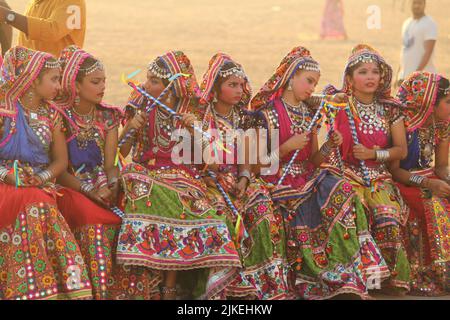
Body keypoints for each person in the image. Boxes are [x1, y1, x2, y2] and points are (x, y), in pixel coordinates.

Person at [250, 46, 389, 300]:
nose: (313, 88)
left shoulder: (309, 114)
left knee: (343, 190)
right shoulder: (267, 115)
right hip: (277, 182)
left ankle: (346, 275)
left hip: (307, 178)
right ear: (291, 78)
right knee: (309, 205)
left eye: (315, 83)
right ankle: (315, 278)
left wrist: (328, 145)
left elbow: (314, 161)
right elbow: (258, 165)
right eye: (309, 81)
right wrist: (285, 148)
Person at [116, 51, 242, 300]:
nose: (146, 84)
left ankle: (171, 284)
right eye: (148, 78)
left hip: (184, 176)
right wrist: (130, 128)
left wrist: (195, 130)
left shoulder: (193, 111)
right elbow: (121, 152)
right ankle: (154, 281)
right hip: (147, 172)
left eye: (154, 81)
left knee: (192, 205)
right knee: (140, 184)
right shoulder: (140, 104)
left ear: (170, 88)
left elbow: (212, 163)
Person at [55, 45, 161, 300]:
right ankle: (95, 292)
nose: (103, 86)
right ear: (75, 86)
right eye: (95, 81)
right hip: (72, 186)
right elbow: (60, 171)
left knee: (135, 214)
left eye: (104, 80)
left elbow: (112, 164)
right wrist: (91, 193)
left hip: (103, 183)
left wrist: (113, 186)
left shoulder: (108, 116)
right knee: (95, 222)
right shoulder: (59, 117)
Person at [192, 53, 291, 300]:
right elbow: (197, 162)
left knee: (263, 211)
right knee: (221, 215)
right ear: (216, 89)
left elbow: (248, 158)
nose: (239, 90)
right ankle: (224, 287)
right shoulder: (201, 118)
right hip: (210, 183)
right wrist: (209, 171)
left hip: (240, 180)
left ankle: (263, 284)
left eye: (241, 84)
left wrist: (245, 180)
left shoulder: (246, 118)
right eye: (232, 85)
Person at [0, 46, 92, 300]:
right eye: (53, 79)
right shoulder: (4, 110)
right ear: (33, 79)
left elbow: (60, 162)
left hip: (39, 183)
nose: (59, 86)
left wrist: (40, 178)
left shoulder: (52, 114)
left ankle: (58, 288)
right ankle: (32, 288)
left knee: (43, 201)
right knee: (34, 203)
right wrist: (7, 175)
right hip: (5, 181)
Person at [324, 44, 411, 295]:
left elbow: (401, 151)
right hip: (346, 173)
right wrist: (335, 104)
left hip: (378, 176)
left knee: (387, 214)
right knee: (353, 211)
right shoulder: (340, 105)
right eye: (363, 72)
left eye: (375, 72)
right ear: (349, 78)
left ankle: (388, 279)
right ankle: (354, 279)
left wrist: (374, 154)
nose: (370, 77)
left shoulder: (391, 109)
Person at [391, 71, 450, 296]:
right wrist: (427, 183)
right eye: (448, 101)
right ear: (429, 102)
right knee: (434, 205)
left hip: (429, 179)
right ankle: (438, 271)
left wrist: (447, 178)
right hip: (407, 182)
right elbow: (396, 171)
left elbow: (442, 166)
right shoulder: (404, 125)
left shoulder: (442, 124)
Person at [0, 0, 86, 56]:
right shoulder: (35, 2)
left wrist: (8, 16)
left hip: (56, 76)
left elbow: (52, 31)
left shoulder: (73, 1)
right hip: (32, 74)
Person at [397, 0, 438, 87]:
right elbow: (404, 50)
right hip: (405, 77)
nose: (416, 5)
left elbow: (428, 52)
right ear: (410, 4)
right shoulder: (406, 23)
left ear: (424, 4)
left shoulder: (429, 23)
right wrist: (399, 74)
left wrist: (415, 75)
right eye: (414, 3)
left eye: (419, 3)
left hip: (423, 79)